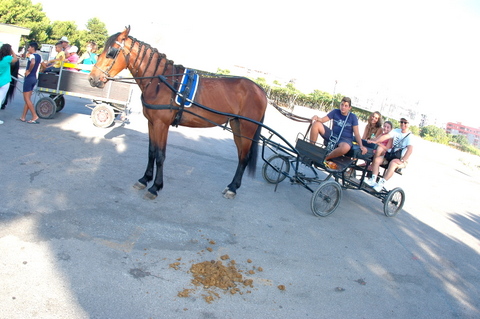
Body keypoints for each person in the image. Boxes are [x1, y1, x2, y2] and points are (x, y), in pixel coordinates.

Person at [309, 96, 367, 166]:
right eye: (342, 105)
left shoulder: (353, 117)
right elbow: (322, 120)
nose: (343, 107)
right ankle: (311, 149)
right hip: (333, 135)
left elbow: (357, 133)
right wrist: (316, 117)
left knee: (345, 147)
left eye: (346, 106)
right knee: (316, 124)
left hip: (345, 139)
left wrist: (361, 146)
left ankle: (325, 157)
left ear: (349, 108)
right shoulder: (335, 112)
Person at [365, 117, 413, 192]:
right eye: (401, 122)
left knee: (393, 163)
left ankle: (381, 183)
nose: (403, 124)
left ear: (409, 124)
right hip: (391, 155)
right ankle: (373, 179)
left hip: (401, 159)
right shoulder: (396, 131)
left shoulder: (410, 136)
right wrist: (376, 141)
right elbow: (385, 136)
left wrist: (402, 160)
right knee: (377, 160)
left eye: (405, 122)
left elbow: (410, 150)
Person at [20, 42, 41, 124]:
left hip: (29, 78)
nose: (28, 49)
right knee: (28, 99)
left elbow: (32, 62)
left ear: (32, 48)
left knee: (27, 99)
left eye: (29, 47)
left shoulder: (32, 56)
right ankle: (23, 117)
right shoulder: (39, 56)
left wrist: (28, 70)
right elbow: (43, 65)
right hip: (34, 78)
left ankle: (34, 115)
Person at [0, 43, 19, 124]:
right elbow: (16, 59)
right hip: (5, 82)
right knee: (0, 100)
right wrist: (12, 51)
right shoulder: (7, 58)